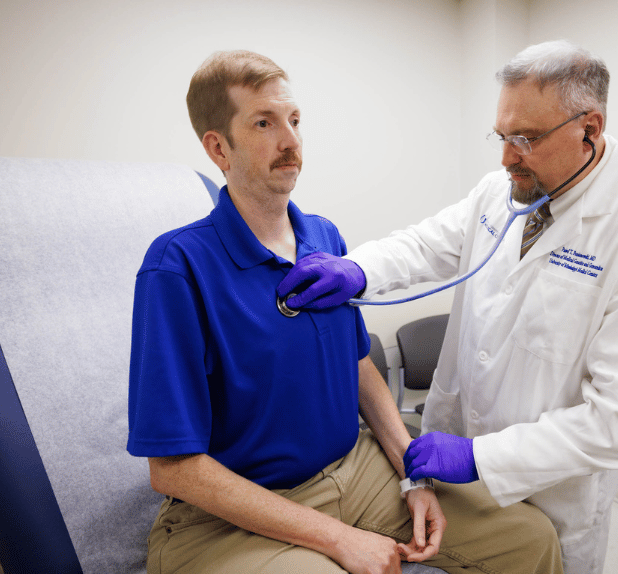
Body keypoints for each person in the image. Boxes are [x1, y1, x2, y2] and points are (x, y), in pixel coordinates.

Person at [126, 50, 562, 574]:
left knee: (528, 538)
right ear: (218, 146)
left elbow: (357, 367)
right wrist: (337, 538)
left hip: (354, 472)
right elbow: (173, 469)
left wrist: (411, 475)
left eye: (294, 121)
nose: (290, 142)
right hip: (232, 513)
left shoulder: (323, 239)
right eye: (264, 123)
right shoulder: (178, 266)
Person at [278, 40, 618, 574]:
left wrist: (481, 458)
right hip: (454, 467)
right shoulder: (502, 192)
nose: (506, 158)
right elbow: (427, 245)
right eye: (501, 136)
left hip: (549, 489)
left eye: (524, 139)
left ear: (589, 128)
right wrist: (359, 269)